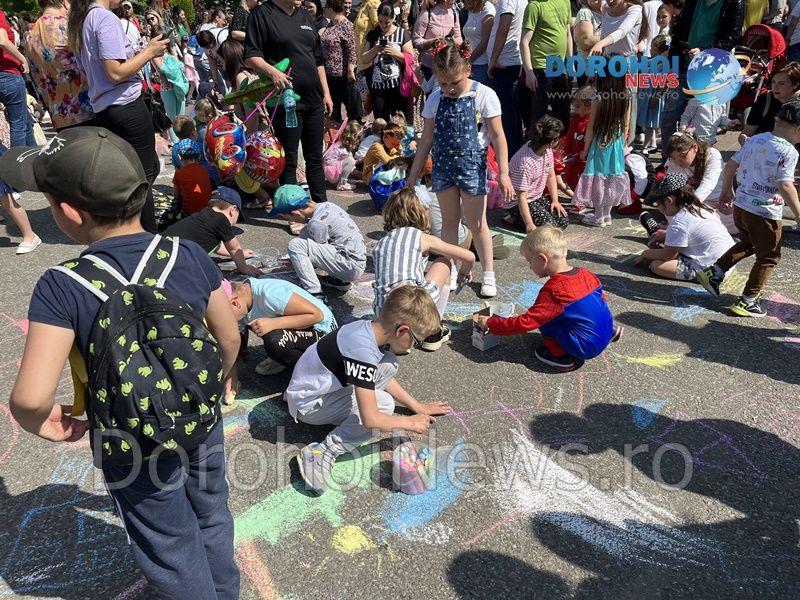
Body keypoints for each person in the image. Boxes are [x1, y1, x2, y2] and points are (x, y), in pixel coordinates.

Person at [2, 127, 241, 598]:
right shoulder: (188, 253)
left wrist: (44, 424)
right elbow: (228, 336)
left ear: (69, 213)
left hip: (128, 440)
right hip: (200, 419)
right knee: (212, 511)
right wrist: (222, 380)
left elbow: (30, 398)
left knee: (169, 542)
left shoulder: (61, 285)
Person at [287, 284, 450, 494]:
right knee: (383, 407)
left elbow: (378, 376)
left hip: (310, 389)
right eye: (416, 342)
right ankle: (322, 452)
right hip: (307, 405)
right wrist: (409, 422)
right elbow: (371, 420)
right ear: (402, 331)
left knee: (388, 364)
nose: (413, 347)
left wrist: (416, 406)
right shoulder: (362, 352)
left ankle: (346, 420)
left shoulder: (368, 330)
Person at [405, 39, 513, 298]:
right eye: (443, 84)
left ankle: (488, 273)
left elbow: (498, 135)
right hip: (443, 168)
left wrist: (504, 173)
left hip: (472, 168)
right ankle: (450, 269)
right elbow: (426, 140)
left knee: (478, 224)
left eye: (455, 82)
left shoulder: (484, 95)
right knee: (449, 222)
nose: (449, 89)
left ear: (467, 69)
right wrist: (412, 176)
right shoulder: (434, 98)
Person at [68, 0, 169, 233]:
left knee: (137, 173)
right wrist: (149, 52)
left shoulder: (84, 19)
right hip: (126, 105)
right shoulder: (104, 18)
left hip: (106, 107)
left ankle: (130, 231)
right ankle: (146, 236)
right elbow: (115, 72)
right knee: (143, 176)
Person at [697, 99, 800, 317]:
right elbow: (785, 184)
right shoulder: (789, 151)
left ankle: (714, 271)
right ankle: (748, 301)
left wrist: (726, 191)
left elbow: (731, 165)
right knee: (769, 256)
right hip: (765, 212)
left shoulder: (755, 139)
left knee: (749, 243)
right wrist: (799, 215)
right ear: (798, 129)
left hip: (742, 207)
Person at [473, 226, 622, 372]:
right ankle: (610, 331)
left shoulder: (555, 290)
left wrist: (491, 324)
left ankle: (561, 358)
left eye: (529, 261)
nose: (530, 266)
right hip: (606, 328)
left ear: (541, 259)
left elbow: (528, 321)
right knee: (590, 308)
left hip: (585, 347)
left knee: (545, 320)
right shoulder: (586, 273)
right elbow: (602, 300)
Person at [244, 0, 333, 205]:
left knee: (314, 157)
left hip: (314, 99)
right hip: (286, 101)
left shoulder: (303, 15)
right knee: (289, 159)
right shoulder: (261, 14)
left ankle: (322, 207)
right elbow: (251, 56)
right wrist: (273, 72)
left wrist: (326, 94)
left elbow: (318, 59)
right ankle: (293, 209)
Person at [372, 189, 475, 348]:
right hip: (413, 309)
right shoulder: (421, 237)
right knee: (444, 262)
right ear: (423, 213)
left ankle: (394, 339)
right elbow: (469, 256)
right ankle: (433, 332)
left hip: (383, 311)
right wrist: (463, 272)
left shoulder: (381, 243)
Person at [660, 0, 744, 150]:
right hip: (684, 66)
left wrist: (704, 51)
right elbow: (679, 31)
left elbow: (730, 38)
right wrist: (672, 63)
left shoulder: (734, 2)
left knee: (703, 120)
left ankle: (697, 158)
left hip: (710, 70)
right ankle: (669, 159)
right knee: (669, 115)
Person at [272, 184, 367, 301]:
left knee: (295, 245)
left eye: (288, 218)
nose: (290, 221)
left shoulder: (316, 223)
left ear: (296, 213)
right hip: (355, 261)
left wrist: (299, 260)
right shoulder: (328, 206)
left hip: (349, 267)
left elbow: (318, 254)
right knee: (305, 233)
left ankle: (315, 294)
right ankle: (339, 281)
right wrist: (298, 260)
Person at [634, 172, 734, 281]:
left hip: (711, 271)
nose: (657, 208)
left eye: (657, 204)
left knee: (657, 265)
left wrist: (645, 254)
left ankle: (656, 232)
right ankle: (659, 233)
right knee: (670, 246)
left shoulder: (679, 222)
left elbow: (667, 255)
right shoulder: (700, 207)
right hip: (728, 261)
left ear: (669, 201)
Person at [229, 278, 337, 375]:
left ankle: (317, 374)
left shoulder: (270, 294)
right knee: (253, 324)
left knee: (276, 341)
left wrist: (273, 323)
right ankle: (286, 354)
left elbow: (316, 315)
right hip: (304, 328)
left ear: (235, 303)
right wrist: (232, 370)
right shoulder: (244, 296)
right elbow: (237, 333)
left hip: (324, 332)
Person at [27, 0, 95, 132]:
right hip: (86, 110)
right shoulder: (67, 26)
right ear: (64, 2)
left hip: (58, 115)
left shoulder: (30, 35)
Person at [165, 186, 263, 277]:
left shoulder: (202, 217)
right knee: (214, 274)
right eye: (238, 217)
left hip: (163, 249)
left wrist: (242, 254)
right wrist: (244, 268)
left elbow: (217, 247)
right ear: (233, 210)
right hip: (175, 262)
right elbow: (234, 248)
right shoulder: (221, 219)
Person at [573, 74, 631, 226]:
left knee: (598, 180)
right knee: (611, 179)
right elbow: (626, 125)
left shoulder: (598, 98)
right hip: (616, 142)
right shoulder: (626, 97)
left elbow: (591, 128)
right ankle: (607, 215)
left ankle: (599, 216)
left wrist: (585, 150)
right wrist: (622, 144)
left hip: (600, 143)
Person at [588, 0, 646, 140]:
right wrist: (594, 67)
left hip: (626, 62)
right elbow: (603, 35)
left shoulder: (635, 10)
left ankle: (625, 143)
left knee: (626, 105)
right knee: (604, 103)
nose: (610, 1)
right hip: (607, 62)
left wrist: (600, 43)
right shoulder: (605, 7)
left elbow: (622, 31)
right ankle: (604, 141)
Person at [505, 115, 569, 232]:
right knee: (550, 228)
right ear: (552, 141)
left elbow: (551, 175)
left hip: (535, 197)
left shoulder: (547, 150)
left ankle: (519, 219)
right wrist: (529, 224)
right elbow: (521, 197)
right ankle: (514, 216)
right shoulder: (525, 163)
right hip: (518, 203)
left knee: (562, 221)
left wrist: (555, 201)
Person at [520, 0, 573, 132]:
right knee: (540, 115)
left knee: (563, 111)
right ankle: (535, 144)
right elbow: (524, 42)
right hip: (541, 67)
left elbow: (567, 34)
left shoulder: (565, 2)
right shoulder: (534, 6)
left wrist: (570, 62)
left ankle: (561, 143)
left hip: (559, 67)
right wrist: (529, 72)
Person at [485, 0, 527, 154]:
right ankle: (514, 153)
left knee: (506, 115)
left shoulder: (508, 1)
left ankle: (509, 155)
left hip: (504, 64)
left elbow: (504, 28)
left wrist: (494, 59)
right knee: (513, 113)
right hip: (512, 62)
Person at [362, 2, 413, 120]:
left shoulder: (401, 33)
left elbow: (410, 58)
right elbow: (364, 59)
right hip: (378, 87)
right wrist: (375, 49)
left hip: (397, 86)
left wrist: (395, 53)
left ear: (393, 18)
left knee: (398, 121)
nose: (383, 25)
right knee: (380, 122)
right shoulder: (373, 34)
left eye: (387, 22)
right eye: (380, 21)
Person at [739, 62, 800, 146]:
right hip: (764, 149)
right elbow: (746, 133)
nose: (775, 87)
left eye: (781, 83)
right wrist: (745, 140)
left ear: (795, 85)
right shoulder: (764, 100)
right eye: (773, 82)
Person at [0, 8, 34, 148]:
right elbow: (2, 40)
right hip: (7, 73)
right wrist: (22, 59)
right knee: (19, 124)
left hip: (6, 75)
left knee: (26, 122)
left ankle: (33, 156)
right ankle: (19, 160)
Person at [321, 0, 357, 120]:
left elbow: (352, 49)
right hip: (330, 74)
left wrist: (351, 70)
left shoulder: (346, 25)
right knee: (333, 111)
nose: (323, 9)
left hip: (343, 75)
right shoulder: (330, 24)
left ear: (331, 9)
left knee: (352, 110)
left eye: (325, 7)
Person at [413, 0, 464, 82]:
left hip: (448, 65)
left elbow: (458, 38)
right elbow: (416, 41)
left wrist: (450, 41)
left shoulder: (454, 14)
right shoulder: (427, 14)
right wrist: (433, 42)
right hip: (429, 67)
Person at [636, 33, 669, 153]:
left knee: (650, 123)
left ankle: (645, 147)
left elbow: (664, 82)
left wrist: (657, 96)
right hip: (648, 95)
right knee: (649, 122)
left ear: (656, 49)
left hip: (654, 96)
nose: (649, 50)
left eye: (651, 47)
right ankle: (653, 144)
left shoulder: (663, 63)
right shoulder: (653, 61)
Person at [559, 84, 592, 191]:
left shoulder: (592, 122)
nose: (576, 110)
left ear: (590, 105)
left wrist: (582, 153)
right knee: (570, 177)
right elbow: (569, 135)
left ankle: (580, 197)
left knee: (582, 181)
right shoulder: (575, 119)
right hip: (572, 155)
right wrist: (566, 149)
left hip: (584, 158)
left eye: (578, 107)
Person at [172, 139, 212, 215]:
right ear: (199, 157)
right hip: (206, 209)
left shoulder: (179, 173)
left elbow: (176, 195)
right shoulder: (205, 171)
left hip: (188, 211)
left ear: (179, 157)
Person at [462, 0, 495, 85]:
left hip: (481, 65)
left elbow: (485, 42)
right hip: (468, 64)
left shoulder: (488, 10)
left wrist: (469, 60)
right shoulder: (472, 10)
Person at [324, 119, 361, 190]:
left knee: (349, 161)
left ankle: (341, 180)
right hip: (331, 173)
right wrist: (359, 162)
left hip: (328, 171)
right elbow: (349, 163)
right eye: (358, 138)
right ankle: (342, 184)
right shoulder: (343, 149)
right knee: (351, 161)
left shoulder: (340, 143)